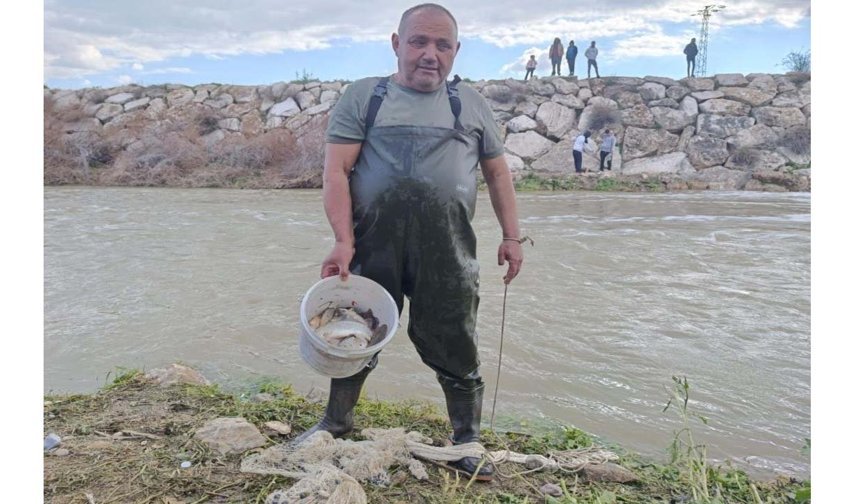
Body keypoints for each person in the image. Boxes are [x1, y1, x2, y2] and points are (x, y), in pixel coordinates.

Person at [298, 3, 524, 481]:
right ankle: (335, 422)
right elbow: (336, 173)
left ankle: (467, 438)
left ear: (456, 52)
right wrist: (342, 241)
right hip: (372, 245)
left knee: (455, 337)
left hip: (448, 250)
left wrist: (511, 236)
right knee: (353, 330)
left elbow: (498, 173)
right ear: (397, 44)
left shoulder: (471, 103)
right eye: (419, 42)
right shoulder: (366, 97)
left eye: (442, 45)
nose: (429, 54)